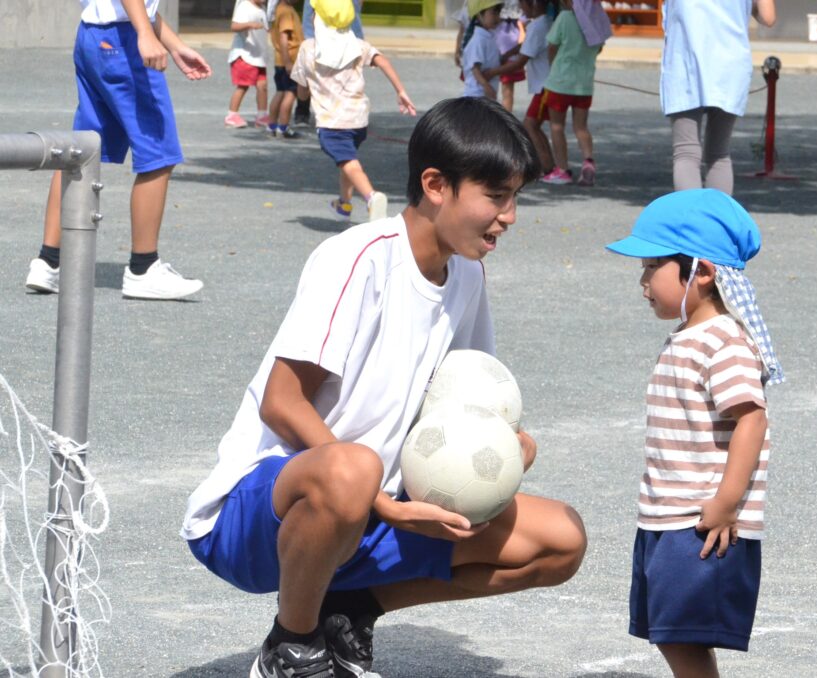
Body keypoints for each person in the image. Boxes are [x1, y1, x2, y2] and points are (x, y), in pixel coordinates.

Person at [181, 97, 588, 678]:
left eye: (515, 197)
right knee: (353, 468)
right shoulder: (359, 259)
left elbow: (461, 399)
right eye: (496, 196)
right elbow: (282, 402)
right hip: (259, 515)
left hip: (375, 509)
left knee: (560, 540)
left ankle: (349, 610)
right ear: (436, 184)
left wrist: (507, 445)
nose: (511, 215)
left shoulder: (467, 274)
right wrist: (383, 505)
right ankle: (291, 647)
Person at [606, 189, 783, 678]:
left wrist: (726, 502)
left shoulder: (723, 342)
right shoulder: (690, 335)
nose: (643, 282)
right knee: (669, 634)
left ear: (701, 272)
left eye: (651, 267)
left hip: (701, 523)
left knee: (682, 637)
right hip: (667, 516)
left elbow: (752, 418)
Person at [24, 0, 211, 300]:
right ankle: (143, 267)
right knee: (158, 152)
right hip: (123, 43)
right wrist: (143, 32)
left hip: (93, 37)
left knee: (80, 151)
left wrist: (174, 45)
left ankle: (48, 262)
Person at [291, 15, 416, 223]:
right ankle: (344, 204)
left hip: (332, 122)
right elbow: (382, 60)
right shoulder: (356, 45)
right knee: (349, 161)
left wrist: (303, 99)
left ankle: (371, 197)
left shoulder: (308, 48)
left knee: (349, 163)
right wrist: (400, 91)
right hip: (358, 120)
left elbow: (302, 88)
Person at [661, 0, 775, 194]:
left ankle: (693, 221)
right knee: (719, 152)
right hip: (730, 62)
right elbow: (768, 17)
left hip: (685, 60)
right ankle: (718, 221)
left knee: (686, 152)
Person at [537, 0, 603, 187]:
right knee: (581, 127)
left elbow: (552, 45)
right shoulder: (595, 18)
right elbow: (598, 47)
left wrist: (553, 66)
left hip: (560, 82)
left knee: (557, 126)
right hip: (584, 84)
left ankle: (562, 169)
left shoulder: (565, 17)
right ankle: (588, 161)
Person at [491, 0, 556, 174]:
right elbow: (525, 46)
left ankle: (548, 167)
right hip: (548, 84)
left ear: (534, 5)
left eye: (524, 5)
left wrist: (492, 72)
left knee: (530, 125)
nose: (522, 10)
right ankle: (548, 165)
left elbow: (521, 61)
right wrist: (508, 54)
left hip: (545, 86)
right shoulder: (547, 22)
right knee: (534, 125)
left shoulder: (537, 26)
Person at [226, 0, 270, 129]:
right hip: (245, 55)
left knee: (263, 85)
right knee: (243, 85)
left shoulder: (261, 7)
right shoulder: (244, 6)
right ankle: (231, 115)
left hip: (258, 55)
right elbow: (234, 26)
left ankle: (262, 115)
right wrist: (249, 24)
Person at [268, 0, 305, 138]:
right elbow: (284, 38)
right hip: (290, 59)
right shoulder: (286, 12)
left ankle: (271, 125)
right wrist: (288, 62)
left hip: (280, 60)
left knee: (280, 92)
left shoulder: (279, 9)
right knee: (291, 93)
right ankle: (283, 127)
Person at [461, 0, 504, 99]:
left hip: (483, 95)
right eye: (493, 13)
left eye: (498, 13)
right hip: (476, 95)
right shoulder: (478, 39)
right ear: (480, 15)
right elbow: (475, 69)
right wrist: (487, 87)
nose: (497, 17)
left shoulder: (489, 36)